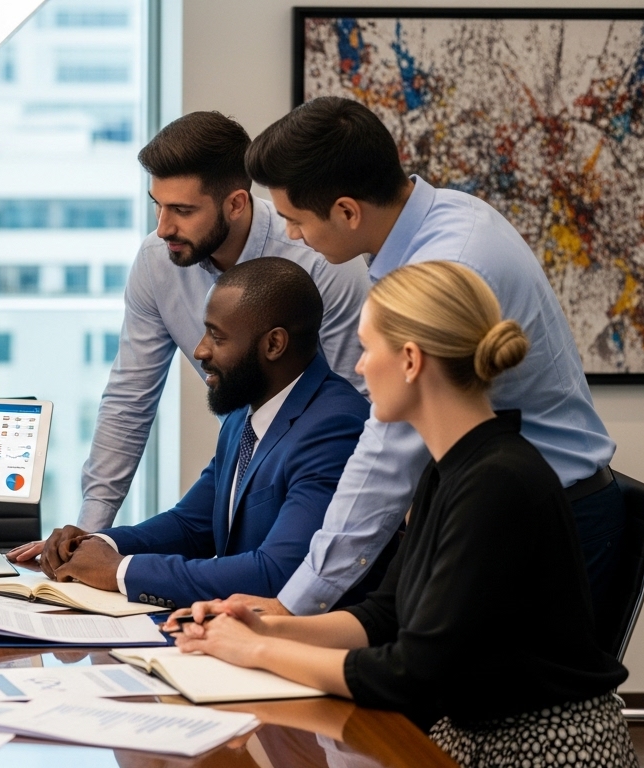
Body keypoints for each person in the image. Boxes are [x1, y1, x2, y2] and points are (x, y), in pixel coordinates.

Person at [165, 261, 636, 767]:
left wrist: (255, 651)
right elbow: (383, 616)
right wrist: (267, 627)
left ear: (410, 361)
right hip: (477, 732)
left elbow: (410, 673)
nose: (360, 369)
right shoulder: (449, 469)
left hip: (540, 750)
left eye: (368, 350)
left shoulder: (497, 482)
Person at [236, 96, 621, 622]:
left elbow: (387, 456)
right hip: (497, 507)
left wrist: (291, 606)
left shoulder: (447, 264)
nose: (291, 235)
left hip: (541, 523)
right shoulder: (448, 216)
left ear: (347, 211)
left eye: (294, 219)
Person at [0, 111, 369, 558]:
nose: (163, 227)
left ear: (235, 203)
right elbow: (130, 398)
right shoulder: (158, 261)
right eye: (157, 204)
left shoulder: (322, 261)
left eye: (183, 211)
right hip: (240, 456)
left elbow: (357, 404)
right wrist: (86, 537)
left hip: (321, 479)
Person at [33, 258, 368, 609]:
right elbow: (191, 525)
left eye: (216, 336)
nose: (199, 350)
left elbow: (277, 573)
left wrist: (119, 570)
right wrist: (96, 544)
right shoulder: (245, 412)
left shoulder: (335, 426)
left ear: (273, 345)